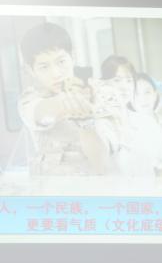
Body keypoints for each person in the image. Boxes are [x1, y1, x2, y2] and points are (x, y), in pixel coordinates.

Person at [18, 22, 107, 175]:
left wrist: (86, 121)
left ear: (73, 57)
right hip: (54, 186)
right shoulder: (29, 99)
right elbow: (42, 113)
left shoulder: (96, 90)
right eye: (44, 67)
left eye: (61, 62)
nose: (56, 73)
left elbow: (101, 164)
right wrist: (75, 100)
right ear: (30, 70)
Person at [127, 72, 162, 176]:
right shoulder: (125, 130)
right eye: (136, 94)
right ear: (130, 99)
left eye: (147, 92)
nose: (143, 98)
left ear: (155, 95)